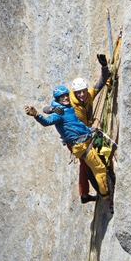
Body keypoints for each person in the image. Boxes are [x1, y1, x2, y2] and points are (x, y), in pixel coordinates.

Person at [43, 54, 109, 204]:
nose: (81, 95)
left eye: (83, 91)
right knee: (88, 163)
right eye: (78, 93)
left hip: (84, 135)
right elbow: (48, 109)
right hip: (76, 140)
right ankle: (95, 192)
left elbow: (101, 82)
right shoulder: (70, 105)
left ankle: (84, 194)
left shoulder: (88, 95)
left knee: (85, 163)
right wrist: (51, 109)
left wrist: (104, 67)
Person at [25, 85, 109, 200]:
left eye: (66, 95)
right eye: (61, 97)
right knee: (99, 169)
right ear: (57, 100)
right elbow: (47, 121)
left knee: (89, 166)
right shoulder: (59, 113)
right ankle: (106, 197)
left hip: (86, 139)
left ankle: (89, 193)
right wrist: (37, 115)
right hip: (81, 145)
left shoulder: (70, 107)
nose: (65, 98)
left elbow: (74, 123)